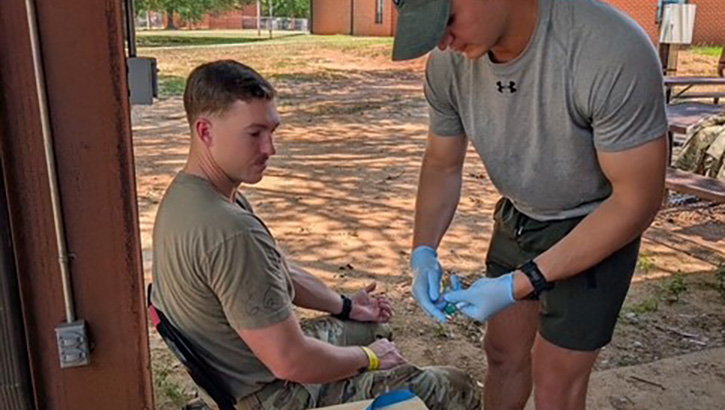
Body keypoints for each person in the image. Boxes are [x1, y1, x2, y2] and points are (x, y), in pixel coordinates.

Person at [150, 60, 480, 410]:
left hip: (240, 365)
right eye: (254, 134)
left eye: (272, 132)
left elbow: (278, 270)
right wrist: (368, 359)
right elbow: (290, 361)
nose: (269, 149)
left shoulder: (190, 197)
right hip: (274, 395)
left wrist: (349, 306)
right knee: (454, 388)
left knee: (373, 329)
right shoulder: (230, 231)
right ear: (205, 131)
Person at [392, 0, 669, 409]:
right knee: (502, 353)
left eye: (447, 20)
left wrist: (520, 283)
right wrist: (423, 252)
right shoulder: (448, 65)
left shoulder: (609, 49)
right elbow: (441, 163)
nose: (443, 42)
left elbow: (638, 200)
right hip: (519, 216)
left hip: (596, 222)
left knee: (556, 379)